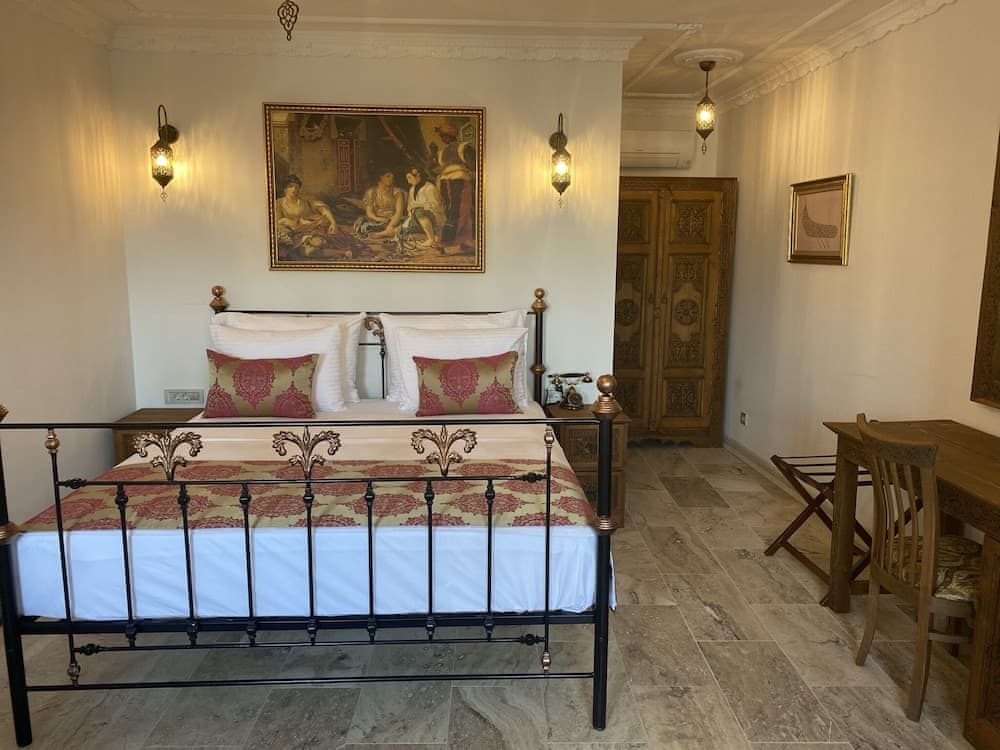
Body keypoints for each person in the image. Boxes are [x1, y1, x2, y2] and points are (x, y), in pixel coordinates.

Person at [434, 123, 475, 248]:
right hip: (458, 181)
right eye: (442, 136)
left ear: (449, 136)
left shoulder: (458, 148)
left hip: (450, 182)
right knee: (458, 211)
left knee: (458, 210)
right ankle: (445, 241)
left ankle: (465, 240)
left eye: (444, 136)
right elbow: (473, 165)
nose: (443, 139)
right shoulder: (461, 148)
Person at [397, 166, 446, 253]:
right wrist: (412, 210)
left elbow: (435, 205)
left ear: (418, 176)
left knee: (419, 211)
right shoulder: (412, 189)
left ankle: (431, 238)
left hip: (433, 217)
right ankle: (431, 237)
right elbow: (410, 206)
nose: (408, 181)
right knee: (400, 232)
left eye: (410, 177)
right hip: (417, 218)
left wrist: (419, 206)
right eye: (407, 178)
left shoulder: (429, 188)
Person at [354, 169, 405, 240]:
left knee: (402, 228)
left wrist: (391, 225)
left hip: (392, 220)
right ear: (380, 177)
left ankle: (383, 233)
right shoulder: (371, 192)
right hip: (376, 220)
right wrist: (378, 219)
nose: (391, 179)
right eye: (388, 176)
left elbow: (399, 213)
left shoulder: (397, 192)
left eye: (392, 177)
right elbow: (369, 212)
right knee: (364, 226)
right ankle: (385, 231)